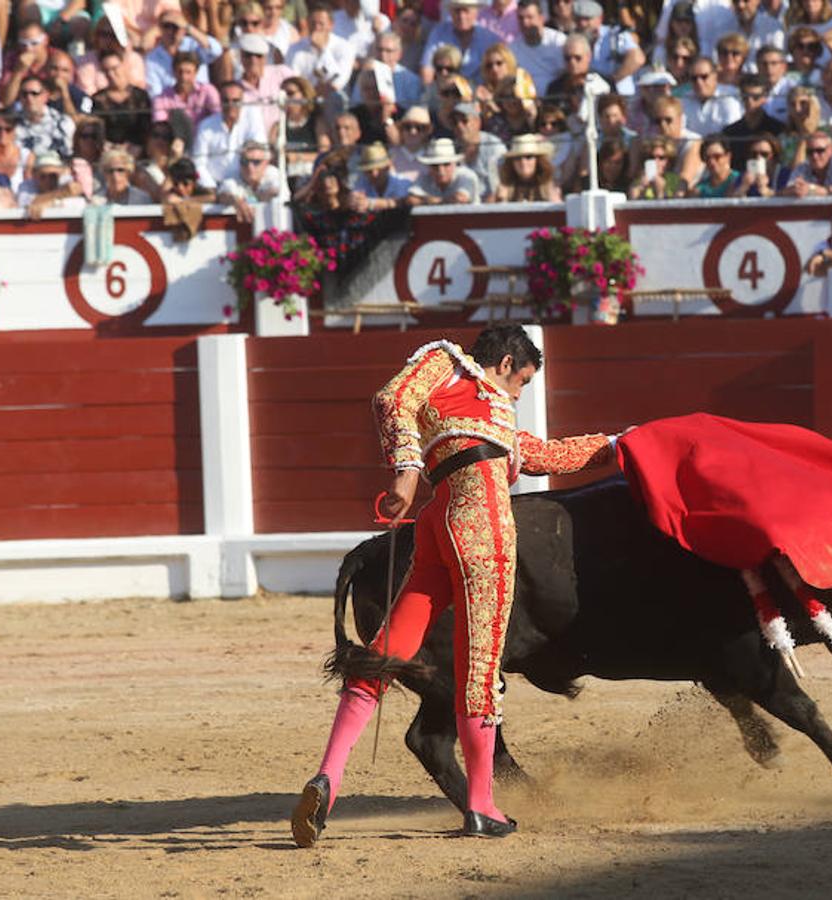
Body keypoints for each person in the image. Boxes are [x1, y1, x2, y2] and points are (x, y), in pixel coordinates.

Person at [293, 324, 618, 848]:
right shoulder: (448, 359)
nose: (518, 394)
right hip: (482, 522)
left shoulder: (475, 403)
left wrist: (614, 445)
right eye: (523, 382)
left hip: (436, 520)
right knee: (480, 669)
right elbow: (390, 397)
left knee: (386, 650)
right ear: (507, 362)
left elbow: (544, 455)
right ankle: (482, 805)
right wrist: (405, 470)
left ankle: (327, 779)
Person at [193, 81, 266, 189]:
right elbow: (199, 163)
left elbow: (259, 153)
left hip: (248, 182)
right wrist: (211, 187)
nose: (230, 105)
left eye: (235, 100)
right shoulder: (206, 126)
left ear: (242, 101)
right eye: (226, 100)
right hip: (214, 186)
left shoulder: (252, 118)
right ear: (220, 101)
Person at [421, 0, 502, 84]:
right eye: (457, 10)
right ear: (451, 12)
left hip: (479, 92)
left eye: (466, 11)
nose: (461, 16)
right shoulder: (439, 33)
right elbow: (427, 68)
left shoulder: (490, 39)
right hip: (445, 92)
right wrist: (430, 92)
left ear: (476, 12)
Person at [722, 74, 787, 170]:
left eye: (755, 97)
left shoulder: (778, 129)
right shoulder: (729, 132)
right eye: (745, 97)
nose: (750, 101)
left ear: (765, 97)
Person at [92, 49, 151, 151]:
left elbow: (146, 127)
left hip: (137, 150)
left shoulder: (140, 96)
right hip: (108, 151)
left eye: (114, 68)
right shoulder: (98, 99)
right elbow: (97, 130)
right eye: (106, 70)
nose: (111, 74)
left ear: (124, 65)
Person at [218, 140, 288, 222]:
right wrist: (236, 201)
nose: (250, 167)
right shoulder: (232, 174)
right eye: (245, 161)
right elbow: (223, 195)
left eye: (256, 162)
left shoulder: (274, 173)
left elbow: (275, 192)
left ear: (266, 163)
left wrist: (247, 200)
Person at [512, 0, 566, 96]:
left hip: (556, 99)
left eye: (530, 17)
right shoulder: (512, 49)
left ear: (541, 18)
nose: (525, 22)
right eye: (521, 18)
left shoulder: (558, 41)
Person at [15, 74, 74, 160]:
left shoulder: (63, 122)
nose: (29, 98)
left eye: (34, 93)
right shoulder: (11, 125)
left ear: (45, 96)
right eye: (24, 94)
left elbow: (69, 153)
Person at [780, 131, 832, 197]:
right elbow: (789, 189)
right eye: (810, 152)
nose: (814, 156)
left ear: (831, 150)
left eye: (820, 150)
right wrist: (795, 190)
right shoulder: (802, 167)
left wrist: (810, 189)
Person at [411, 137, 482, 204]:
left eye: (446, 164)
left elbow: (460, 199)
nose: (440, 170)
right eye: (435, 165)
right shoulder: (424, 176)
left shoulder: (467, 175)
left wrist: (431, 201)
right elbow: (411, 199)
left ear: (455, 164)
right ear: (429, 167)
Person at [493, 133, 561, 202]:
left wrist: (553, 197)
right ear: (511, 162)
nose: (523, 162)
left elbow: (557, 209)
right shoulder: (505, 186)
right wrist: (501, 199)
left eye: (528, 156)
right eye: (517, 158)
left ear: (538, 160)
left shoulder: (548, 184)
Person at [683, 55, 742, 135]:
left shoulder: (730, 97)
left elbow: (733, 134)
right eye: (694, 78)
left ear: (715, 76)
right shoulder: (684, 100)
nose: (699, 82)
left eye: (704, 77)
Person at [628, 135, 686, 199]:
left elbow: (676, 205)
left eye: (661, 158)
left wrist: (660, 193)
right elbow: (633, 204)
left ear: (669, 160)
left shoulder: (677, 181)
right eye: (651, 157)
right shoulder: (638, 182)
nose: (656, 161)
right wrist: (642, 188)